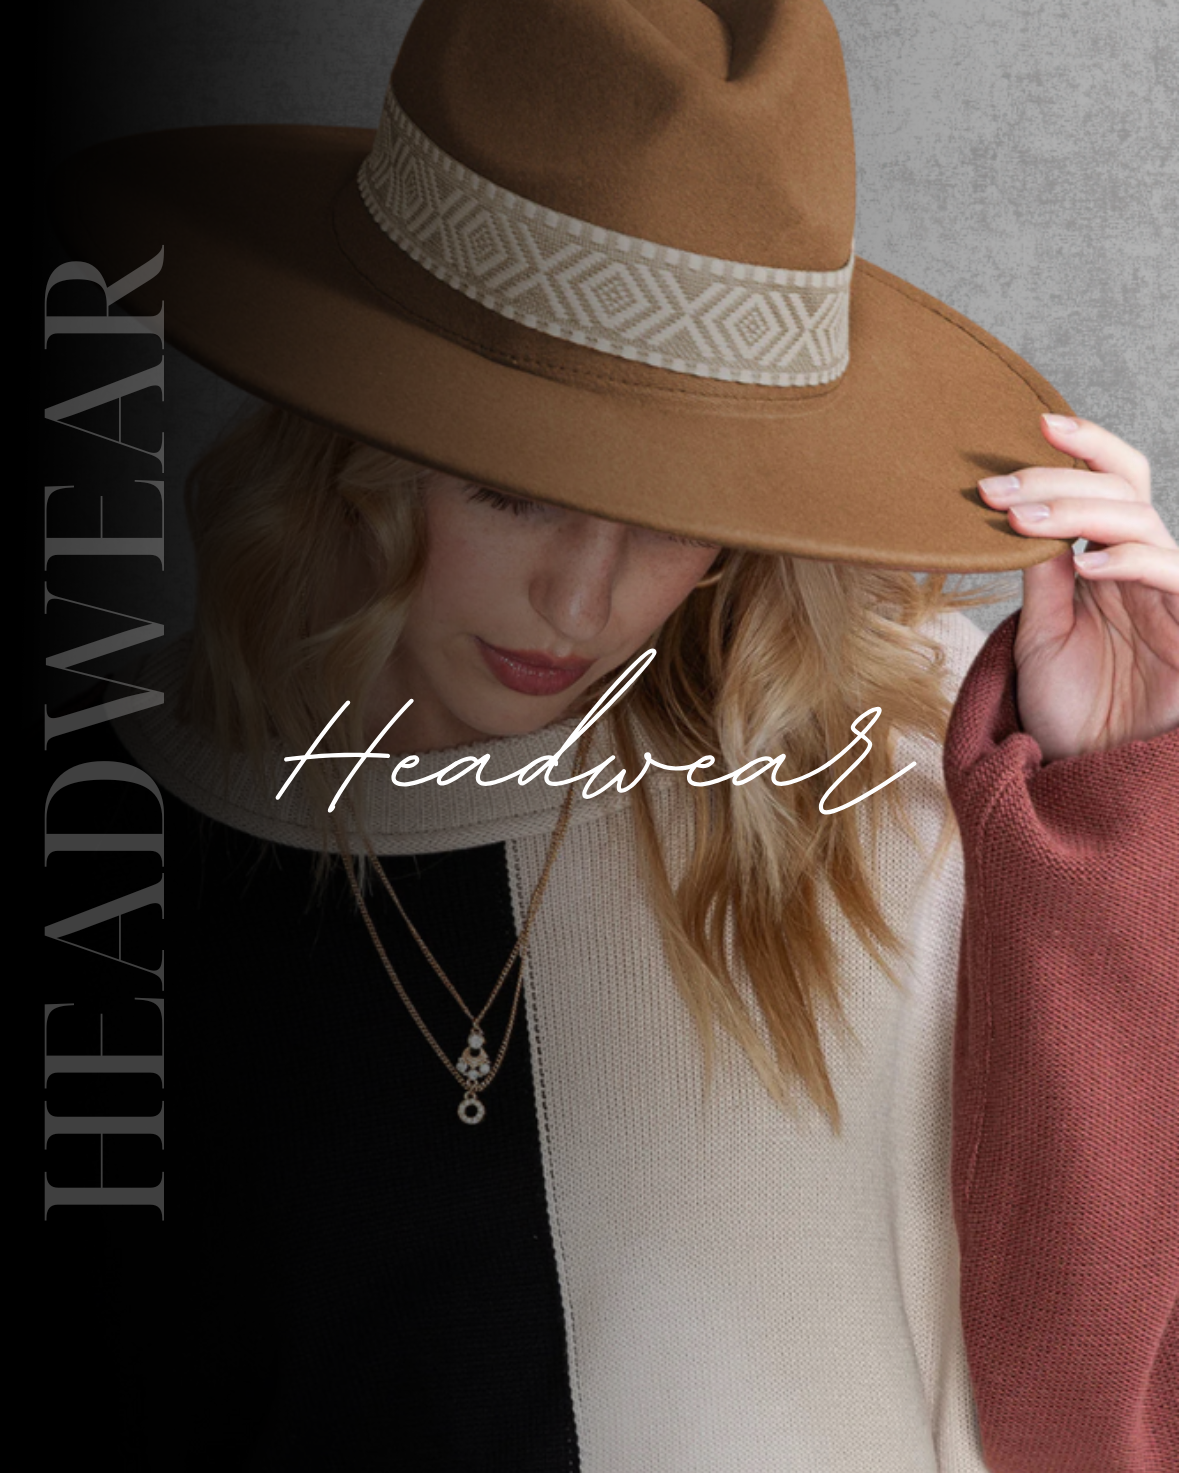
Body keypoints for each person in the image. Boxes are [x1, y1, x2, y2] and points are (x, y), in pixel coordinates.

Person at [51, 1, 1177, 1468]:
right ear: (354, 436)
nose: (581, 600)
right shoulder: (119, 841)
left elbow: (1098, 1395)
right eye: (509, 491)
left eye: (677, 521)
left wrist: (1115, 807)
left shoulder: (889, 777)